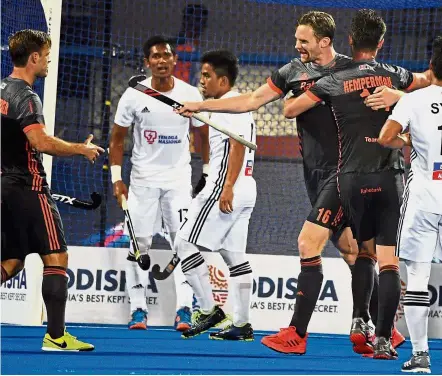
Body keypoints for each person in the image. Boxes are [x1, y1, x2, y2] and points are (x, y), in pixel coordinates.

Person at [177, 11, 406, 353]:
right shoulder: (291, 72)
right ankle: (383, 327)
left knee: (311, 244)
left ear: (324, 42)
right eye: (296, 38)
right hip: (316, 175)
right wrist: (201, 105)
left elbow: (391, 106)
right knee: (350, 250)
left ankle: (300, 333)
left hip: (346, 173)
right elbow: (252, 101)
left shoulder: (351, 70)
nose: (296, 45)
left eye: (303, 40)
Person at [281, 9, 431, 359]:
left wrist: (303, 88)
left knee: (360, 254)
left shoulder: (336, 78)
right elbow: (429, 85)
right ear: (381, 42)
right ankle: (383, 338)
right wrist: (400, 98)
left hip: (349, 177)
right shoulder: (395, 76)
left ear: (349, 40)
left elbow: (290, 110)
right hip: (390, 175)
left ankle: (357, 322)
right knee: (388, 262)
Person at [1, 29, 103, 351]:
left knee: (11, 263)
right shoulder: (27, 96)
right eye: (45, 56)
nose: (48, 61)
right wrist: (80, 149)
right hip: (30, 188)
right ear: (33, 58)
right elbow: (40, 142)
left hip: (3, 188)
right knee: (56, 256)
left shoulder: (1, 89)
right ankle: (56, 337)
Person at [109, 35, 209, 331]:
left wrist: (206, 172)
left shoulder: (190, 94)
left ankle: (185, 310)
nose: (162, 61)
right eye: (156, 57)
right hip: (142, 182)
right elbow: (116, 139)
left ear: (175, 60)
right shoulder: (134, 95)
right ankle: (138, 310)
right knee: (138, 245)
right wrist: (117, 179)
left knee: (184, 244)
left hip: (178, 182)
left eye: (167, 55)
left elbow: (203, 136)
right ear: (147, 62)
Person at [174, 49, 256, 341]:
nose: (202, 79)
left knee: (182, 243)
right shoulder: (232, 106)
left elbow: (238, 145)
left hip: (226, 187)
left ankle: (209, 310)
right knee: (234, 256)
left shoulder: (230, 107)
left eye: (207, 75)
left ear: (223, 81)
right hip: (247, 187)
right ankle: (243, 324)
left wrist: (227, 186)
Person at [378, 36, 442, 373]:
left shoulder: (414, 101)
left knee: (417, 274)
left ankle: (420, 357)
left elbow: (387, 137)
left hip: (424, 197)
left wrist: (410, 139)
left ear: (431, 67)